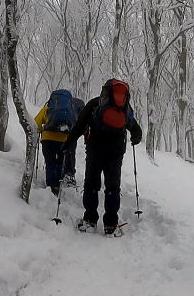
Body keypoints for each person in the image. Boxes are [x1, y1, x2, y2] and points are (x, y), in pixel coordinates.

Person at [63, 79, 141, 236]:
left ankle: (89, 220)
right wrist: (135, 137)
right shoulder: (124, 108)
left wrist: (67, 144)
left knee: (91, 184)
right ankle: (111, 225)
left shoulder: (94, 104)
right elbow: (135, 129)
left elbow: (79, 126)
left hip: (95, 150)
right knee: (113, 187)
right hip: (116, 152)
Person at [34, 89, 83, 195]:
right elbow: (75, 124)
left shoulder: (48, 108)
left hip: (48, 139)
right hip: (63, 140)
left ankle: (50, 186)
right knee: (60, 163)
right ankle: (57, 185)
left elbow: (36, 123)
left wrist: (40, 130)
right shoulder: (70, 111)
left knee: (50, 163)